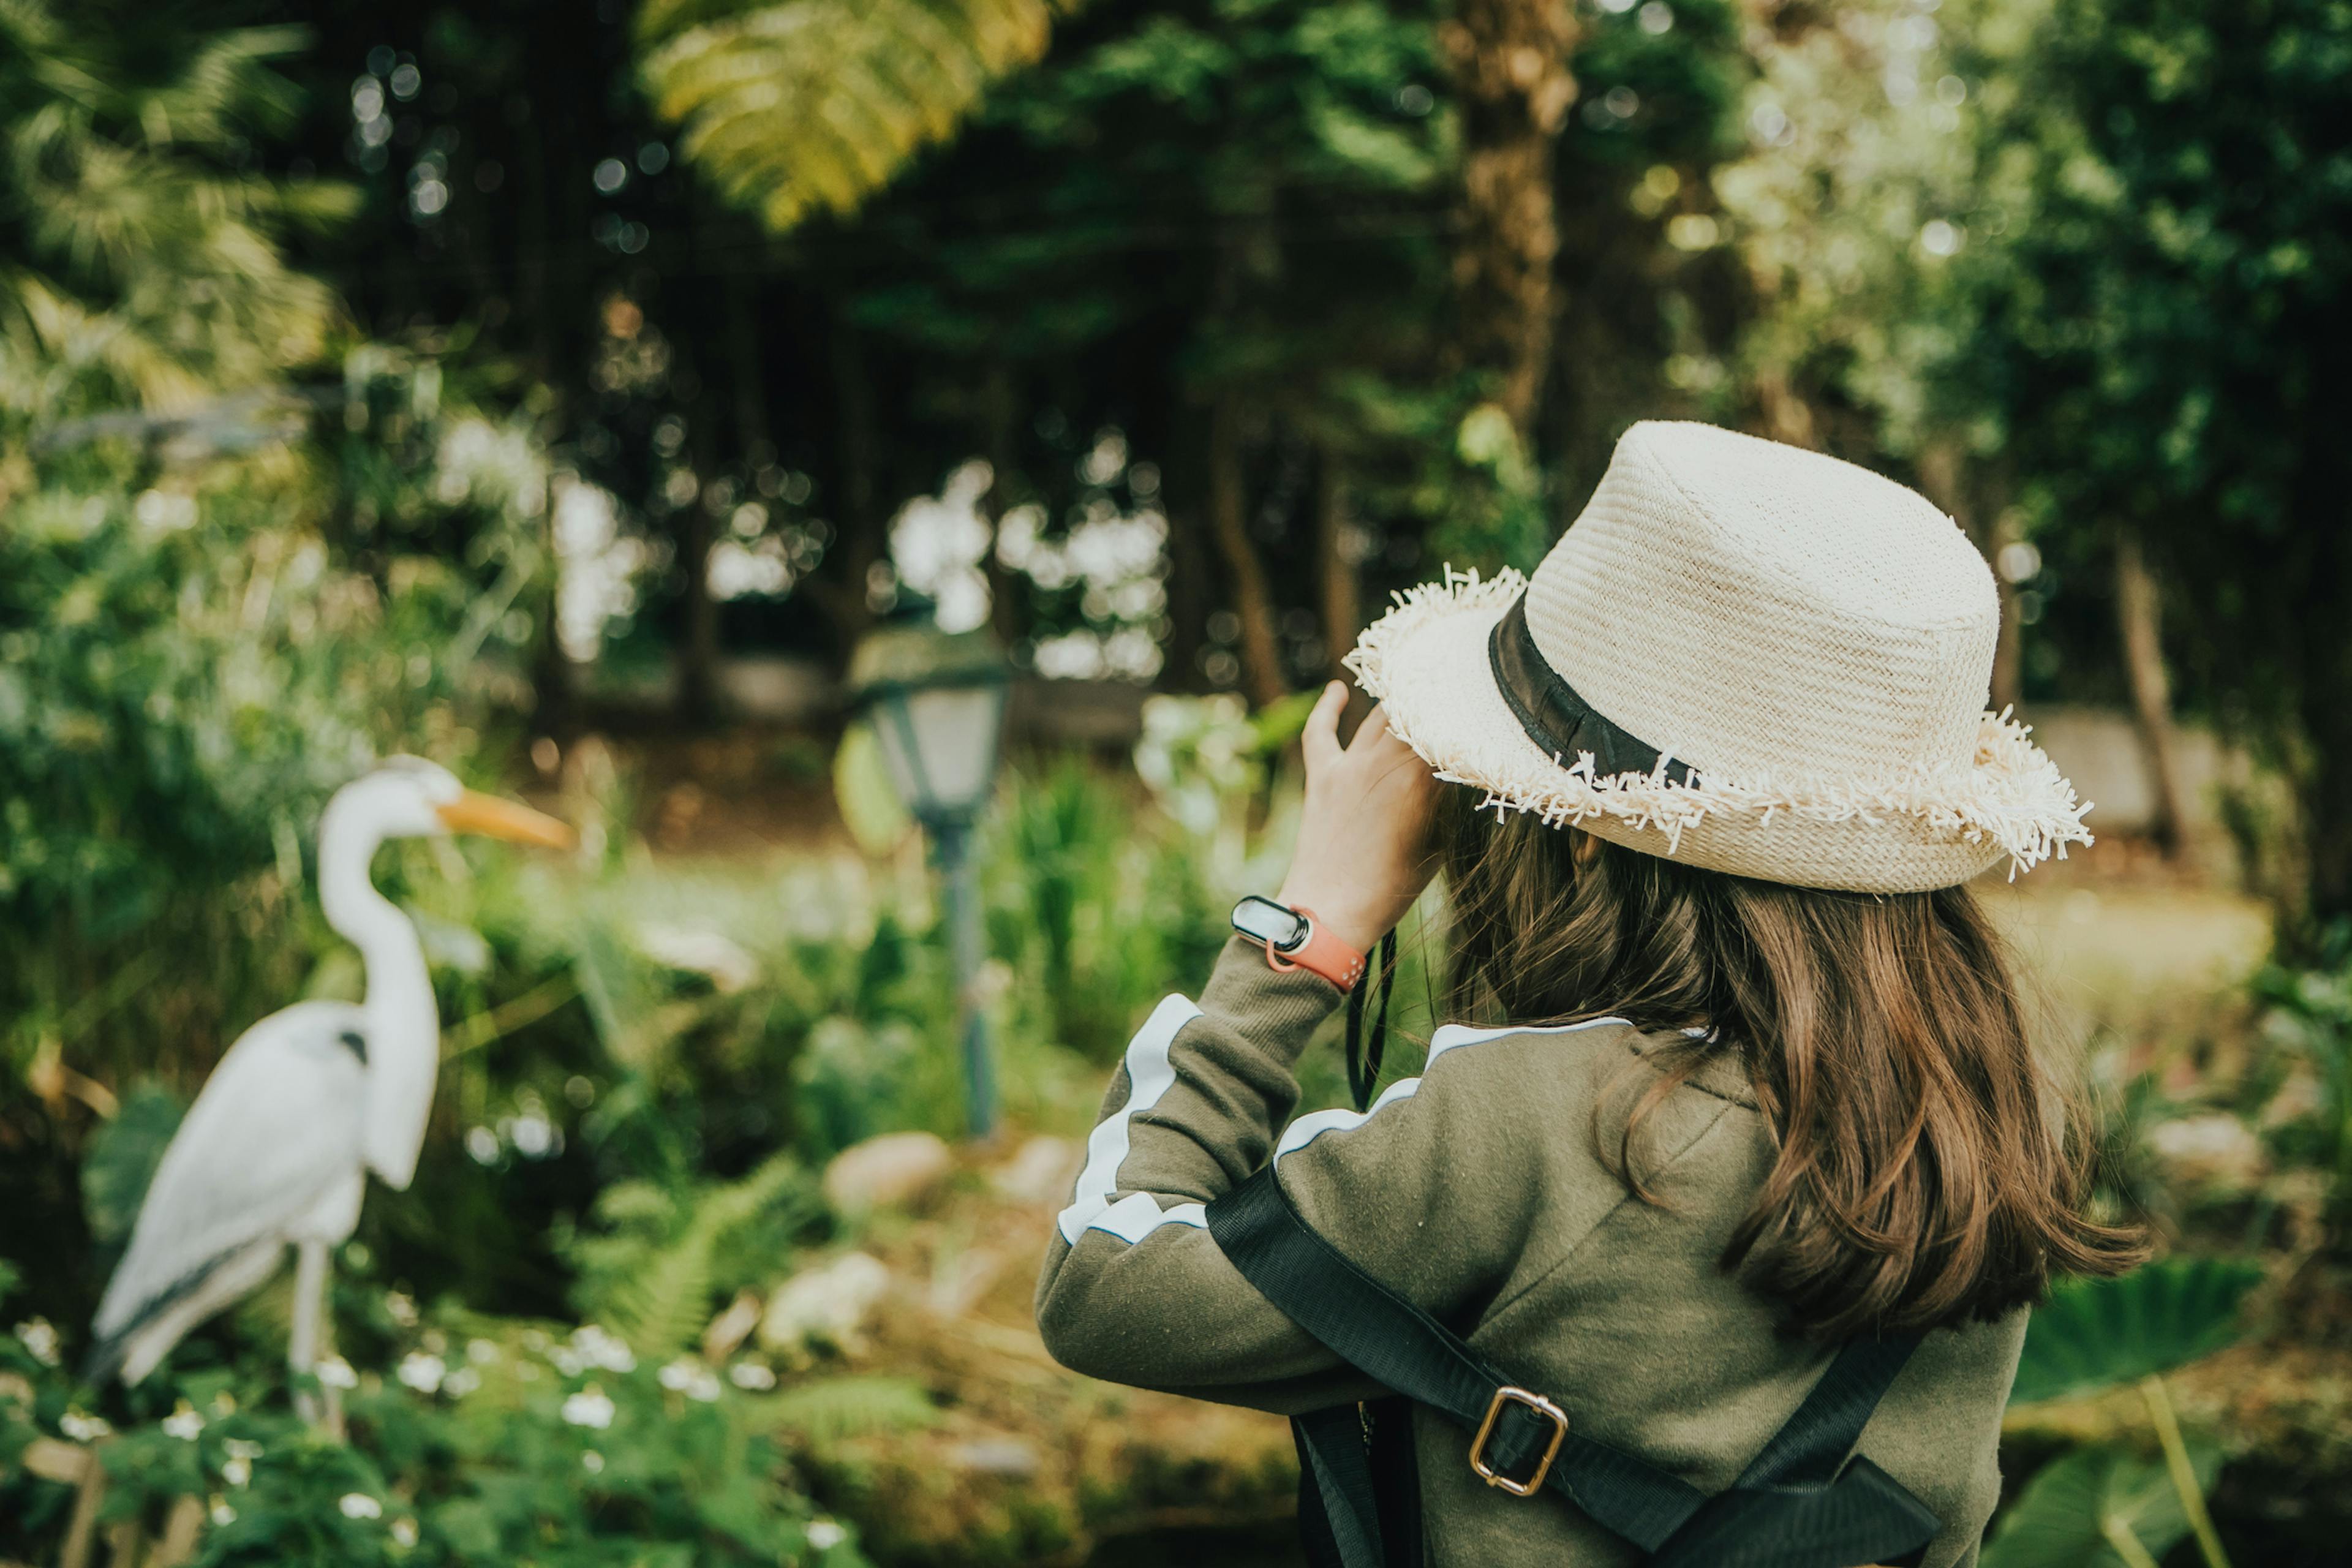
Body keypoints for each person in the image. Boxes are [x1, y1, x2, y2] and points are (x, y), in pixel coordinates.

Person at [1034, 421, 2145, 1568]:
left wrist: (1308, 928)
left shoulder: (1536, 1122)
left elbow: (1104, 1284)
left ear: (1575, 832)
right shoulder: (1990, 1113)